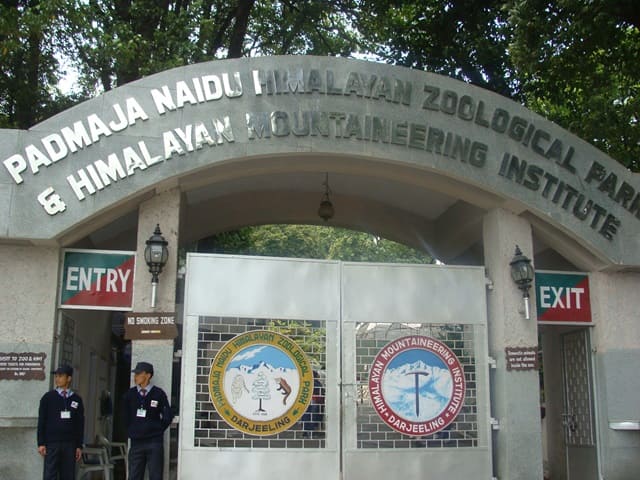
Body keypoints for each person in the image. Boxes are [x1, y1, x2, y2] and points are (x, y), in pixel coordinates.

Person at [123, 361, 173, 480]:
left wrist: (158, 429)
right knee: (134, 475)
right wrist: (131, 431)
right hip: (136, 442)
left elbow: (167, 415)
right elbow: (125, 416)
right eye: (135, 374)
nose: (135, 377)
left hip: (154, 442)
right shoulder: (130, 395)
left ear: (148, 375)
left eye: (138, 374)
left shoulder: (158, 394)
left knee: (155, 475)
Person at [37, 364, 85, 480]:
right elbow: (42, 420)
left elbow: (80, 424)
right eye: (56, 376)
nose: (57, 379)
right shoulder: (48, 397)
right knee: (50, 475)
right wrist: (41, 443)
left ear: (69, 378)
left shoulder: (76, 399)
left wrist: (79, 445)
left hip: (69, 444)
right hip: (52, 443)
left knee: (68, 475)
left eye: (61, 376)